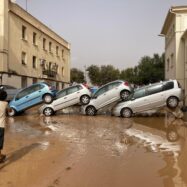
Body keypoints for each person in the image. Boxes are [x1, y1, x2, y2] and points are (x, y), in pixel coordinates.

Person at [0, 88, 8, 163]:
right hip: (1, 126)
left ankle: (0, 155)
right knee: (0, 141)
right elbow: (9, 110)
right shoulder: (5, 103)